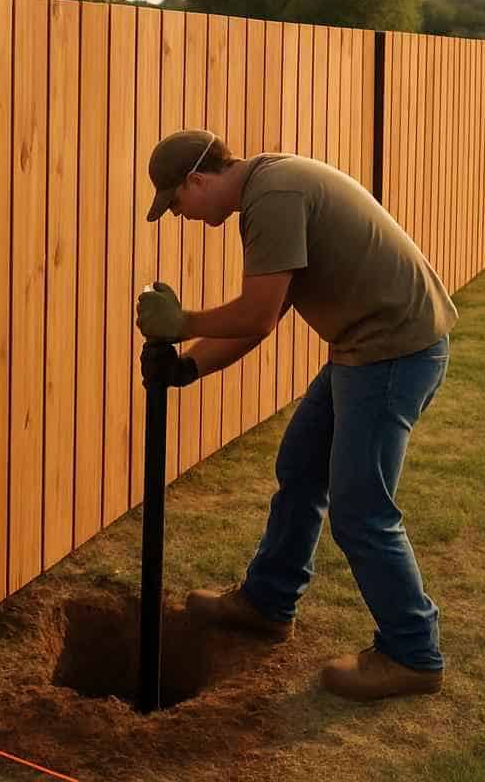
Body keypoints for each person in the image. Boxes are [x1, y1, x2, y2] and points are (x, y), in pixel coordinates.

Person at [135, 128, 455, 702]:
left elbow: (255, 315)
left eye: (176, 203)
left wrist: (181, 324)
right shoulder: (270, 185)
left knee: (361, 510)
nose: (180, 215)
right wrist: (187, 366)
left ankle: (413, 654)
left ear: (197, 180)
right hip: (365, 348)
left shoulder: (273, 197)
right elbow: (269, 314)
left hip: (391, 354)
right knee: (302, 469)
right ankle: (268, 602)